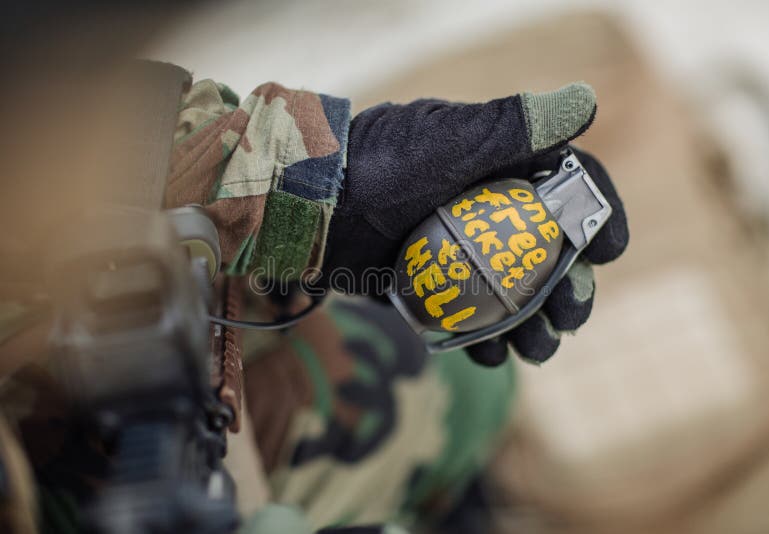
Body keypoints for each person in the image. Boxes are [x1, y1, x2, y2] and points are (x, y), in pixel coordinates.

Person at [162, 75, 628, 532]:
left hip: (167, 310)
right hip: (163, 461)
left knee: (473, 386)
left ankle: (454, 504)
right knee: (458, 390)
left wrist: (303, 187)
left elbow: (111, 143)